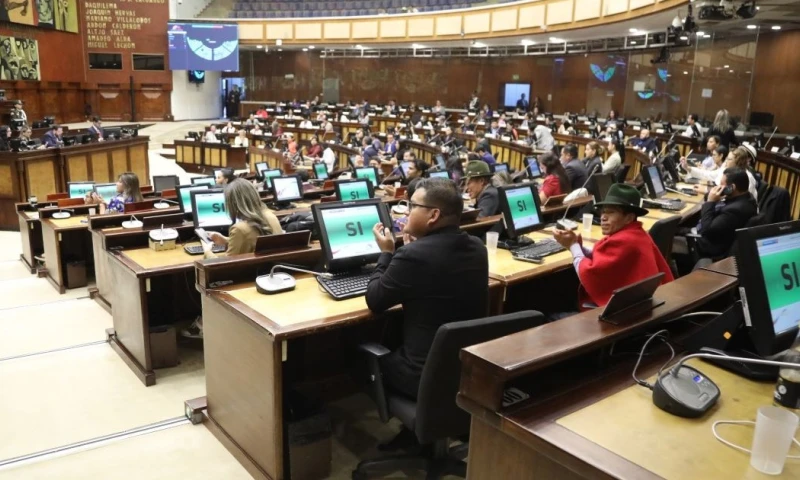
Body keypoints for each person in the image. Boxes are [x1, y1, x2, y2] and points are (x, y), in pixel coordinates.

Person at [366, 177, 489, 399]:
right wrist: (409, 253)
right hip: (464, 369)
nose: (406, 212)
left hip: (419, 375)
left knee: (354, 349)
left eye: (413, 206)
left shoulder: (413, 256)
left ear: (433, 215)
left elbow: (375, 300)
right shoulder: (478, 247)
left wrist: (386, 253)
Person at [182, 179, 283, 339]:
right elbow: (256, 243)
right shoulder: (270, 216)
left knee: (192, 280)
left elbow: (224, 268)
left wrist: (207, 252)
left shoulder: (239, 229)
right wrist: (226, 240)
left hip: (242, 283)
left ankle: (204, 325)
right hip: (266, 276)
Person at [553, 184, 674, 308]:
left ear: (629, 218)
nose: (603, 217)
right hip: (642, 306)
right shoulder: (637, 233)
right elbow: (603, 258)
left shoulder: (624, 240)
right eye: (603, 212)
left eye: (611, 212)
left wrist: (573, 245)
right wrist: (576, 246)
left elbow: (588, 273)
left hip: (622, 315)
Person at [693, 168, 758, 260]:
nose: (719, 187)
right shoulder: (747, 198)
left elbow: (706, 230)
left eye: (722, 184)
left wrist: (710, 202)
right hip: (717, 236)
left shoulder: (735, 210)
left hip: (708, 248)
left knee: (672, 235)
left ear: (732, 187)